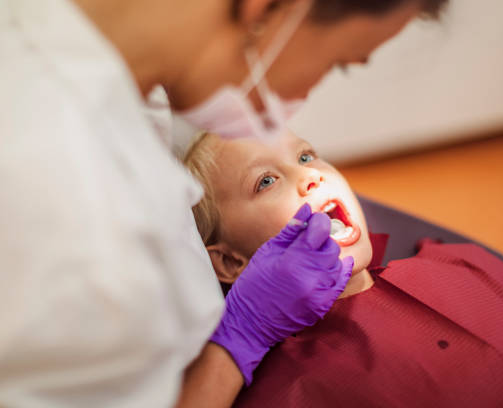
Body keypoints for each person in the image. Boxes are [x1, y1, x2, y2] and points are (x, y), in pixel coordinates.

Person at [0, 0, 448, 406]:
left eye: (307, 156)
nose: (310, 178)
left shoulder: (117, 71)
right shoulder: (57, 199)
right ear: (265, 9)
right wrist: (239, 338)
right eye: (340, 63)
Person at [183, 131, 503, 407]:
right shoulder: (284, 391)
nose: (310, 177)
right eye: (266, 182)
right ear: (230, 261)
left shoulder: (455, 264)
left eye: (307, 155)